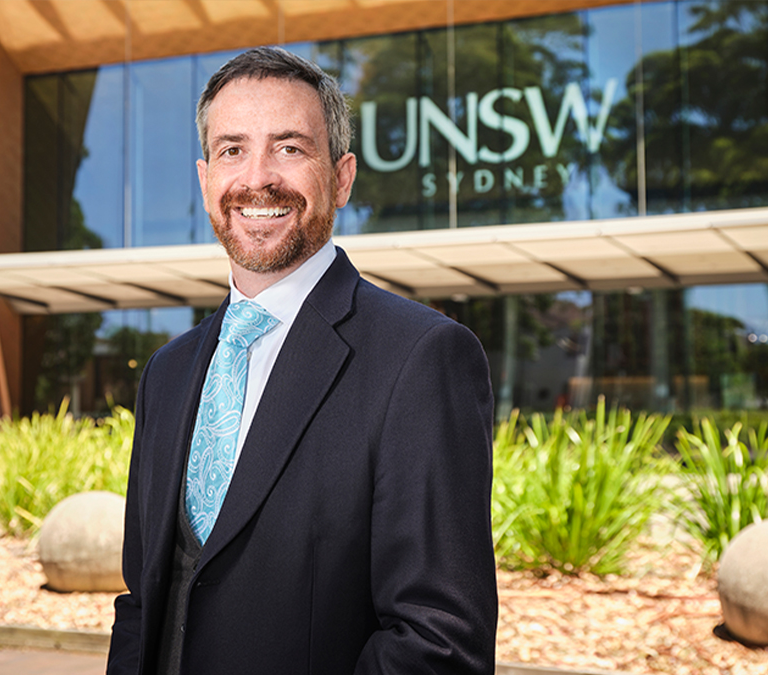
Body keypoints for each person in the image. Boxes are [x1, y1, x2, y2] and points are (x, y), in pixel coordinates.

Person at [107, 46, 497, 675]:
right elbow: (143, 600)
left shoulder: (422, 358)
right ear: (206, 177)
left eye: (290, 147)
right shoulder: (168, 372)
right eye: (233, 149)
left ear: (341, 177)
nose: (257, 177)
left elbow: (438, 642)